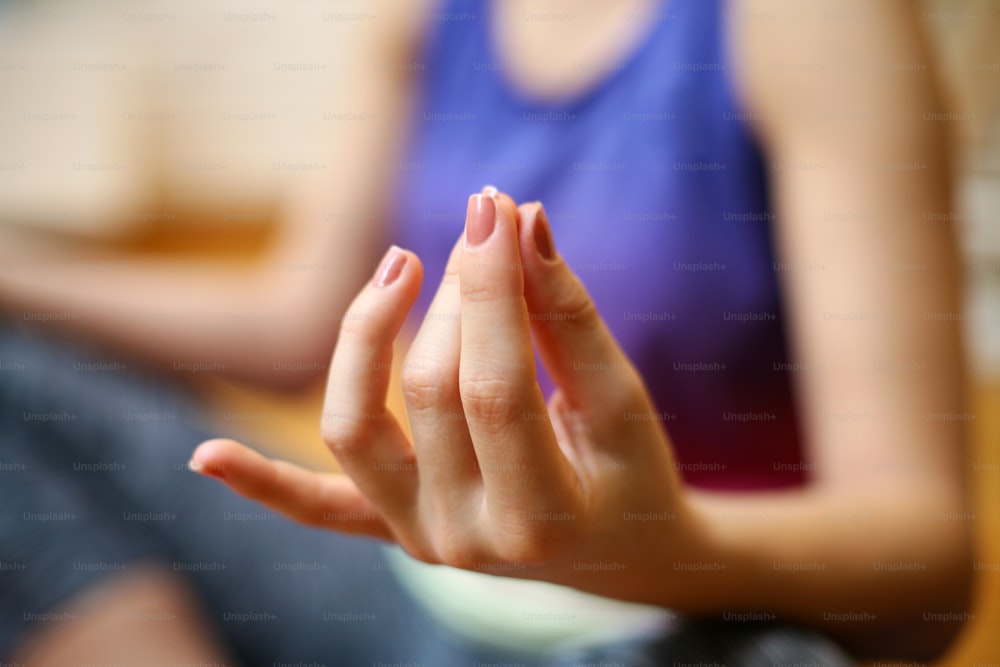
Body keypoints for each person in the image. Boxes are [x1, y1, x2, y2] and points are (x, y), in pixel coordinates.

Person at [0, 0, 972, 664]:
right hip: (422, 586)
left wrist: (655, 545)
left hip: (692, 625)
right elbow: (292, 325)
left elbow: (926, 568)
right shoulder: (427, 13)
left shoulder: (811, 23)